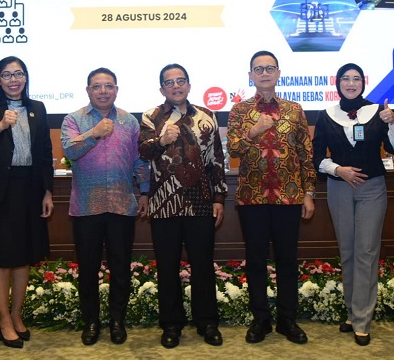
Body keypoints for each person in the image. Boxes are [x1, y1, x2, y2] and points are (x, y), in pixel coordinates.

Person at [227, 50, 317, 345]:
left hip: (289, 197)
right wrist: (254, 130)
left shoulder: (294, 109)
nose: (264, 73)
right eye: (258, 69)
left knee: (287, 260)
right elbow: (234, 150)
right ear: (250, 75)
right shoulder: (239, 111)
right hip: (252, 197)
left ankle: (287, 319)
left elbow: (305, 153)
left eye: (270, 68)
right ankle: (261, 319)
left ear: (278, 73)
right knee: (255, 261)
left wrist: (308, 193)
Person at [312, 63, 394, 346]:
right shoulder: (327, 115)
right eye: (345, 79)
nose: (350, 83)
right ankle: (353, 313)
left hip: (372, 188)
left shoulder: (378, 111)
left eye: (355, 79)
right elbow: (316, 159)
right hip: (339, 188)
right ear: (337, 83)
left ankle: (363, 319)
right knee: (348, 251)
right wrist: (338, 169)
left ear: (363, 82)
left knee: (366, 250)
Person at [0, 56, 54, 349]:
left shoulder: (37, 108)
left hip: (28, 190)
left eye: (18, 74)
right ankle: (4, 320)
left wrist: (47, 191)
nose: (13, 80)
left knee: (24, 255)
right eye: (7, 75)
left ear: (26, 78)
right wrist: (1, 125)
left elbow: (44, 152)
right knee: (1, 256)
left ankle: (17, 316)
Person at [138, 64, 228, 348]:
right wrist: (160, 140)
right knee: (167, 267)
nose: (176, 86)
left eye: (181, 81)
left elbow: (216, 160)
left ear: (188, 85)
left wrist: (219, 198)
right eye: (169, 82)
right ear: (162, 89)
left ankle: (207, 322)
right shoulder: (151, 116)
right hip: (164, 204)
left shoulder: (207, 116)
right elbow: (142, 152)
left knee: (202, 265)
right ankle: (171, 323)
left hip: (201, 202)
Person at [61, 67, 150, 346]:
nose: (103, 91)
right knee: (87, 269)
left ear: (116, 90)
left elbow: (139, 162)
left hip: (122, 205)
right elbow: (69, 149)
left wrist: (145, 192)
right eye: (97, 86)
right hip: (86, 207)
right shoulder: (74, 119)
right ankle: (91, 322)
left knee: (120, 267)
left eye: (108, 86)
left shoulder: (129, 121)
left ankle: (116, 320)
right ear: (88, 90)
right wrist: (95, 133)